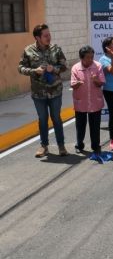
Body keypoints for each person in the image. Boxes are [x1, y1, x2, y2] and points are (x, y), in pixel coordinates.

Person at [18, 24, 68, 158]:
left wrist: (55, 68)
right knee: (42, 119)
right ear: (37, 37)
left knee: (56, 118)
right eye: (45, 35)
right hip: (38, 92)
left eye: (49, 34)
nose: (49, 37)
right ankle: (44, 146)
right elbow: (20, 68)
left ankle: (61, 145)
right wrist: (34, 71)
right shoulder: (28, 50)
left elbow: (64, 66)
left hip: (55, 90)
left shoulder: (56, 49)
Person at [71, 46, 105, 155]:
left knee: (95, 126)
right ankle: (79, 145)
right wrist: (77, 84)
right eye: (88, 57)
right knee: (80, 126)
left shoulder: (98, 66)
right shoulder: (75, 68)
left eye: (92, 57)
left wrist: (96, 80)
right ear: (81, 58)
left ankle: (96, 146)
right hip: (81, 102)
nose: (90, 59)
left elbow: (101, 83)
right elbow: (73, 85)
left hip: (95, 102)